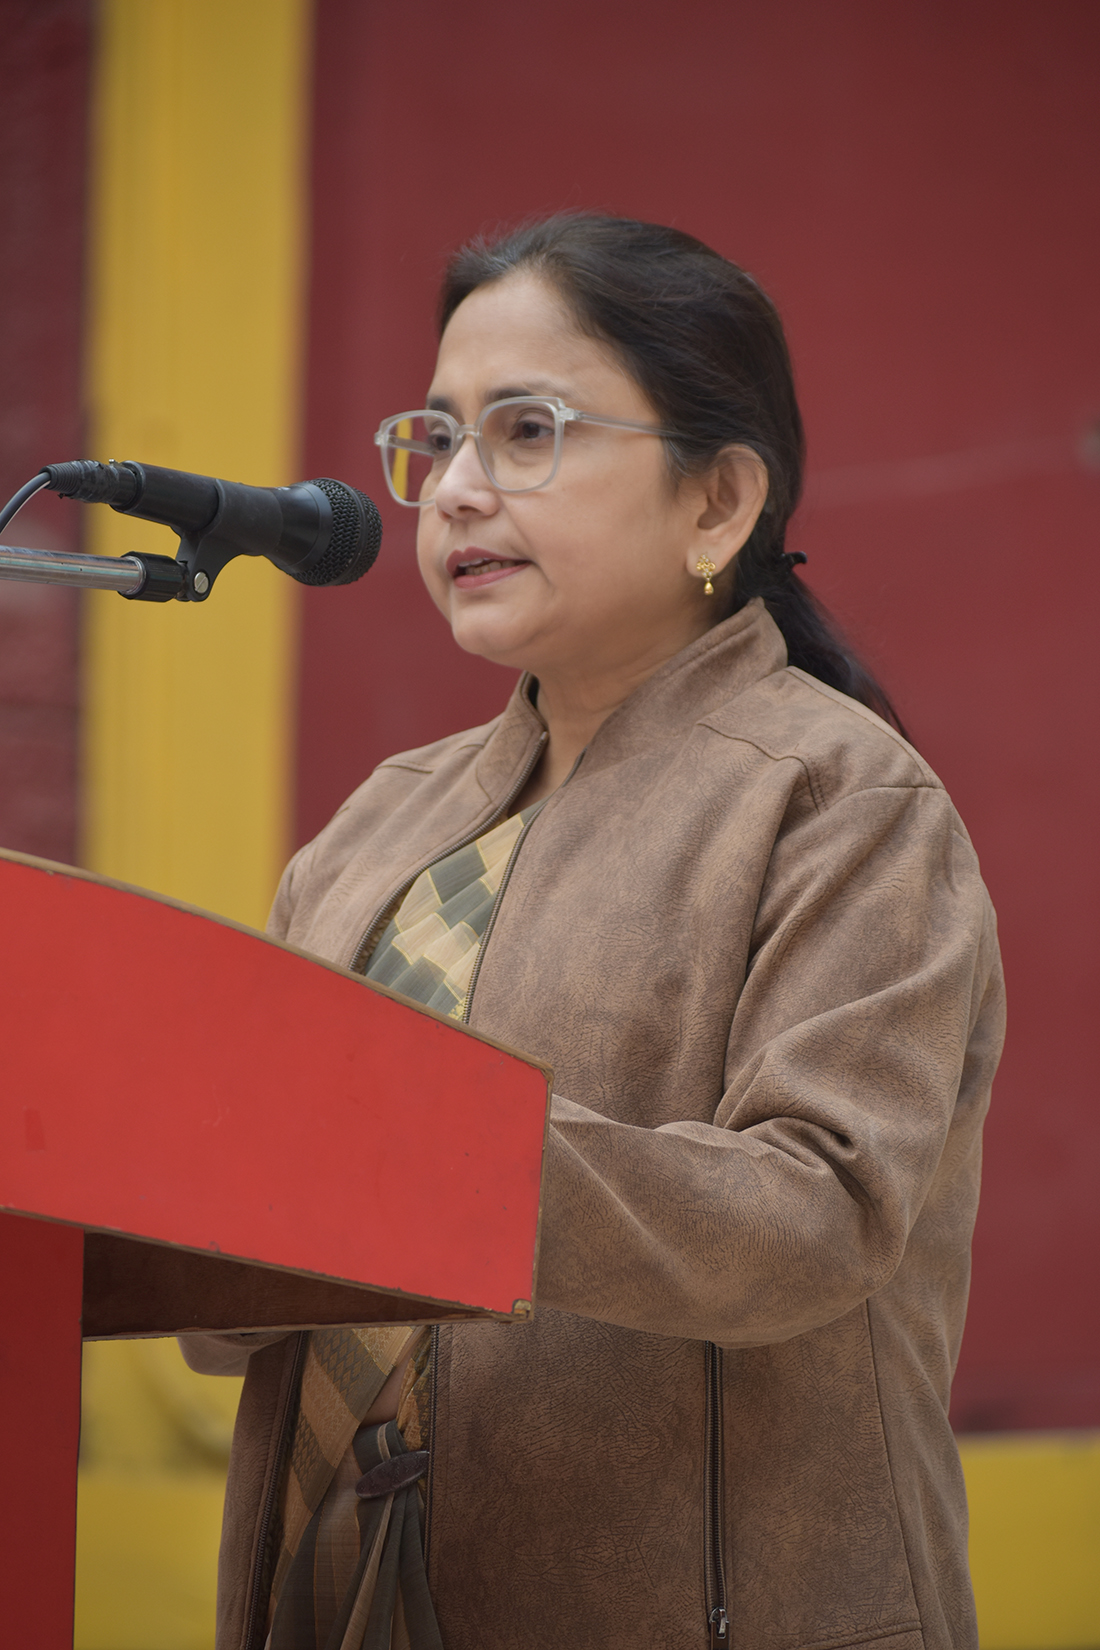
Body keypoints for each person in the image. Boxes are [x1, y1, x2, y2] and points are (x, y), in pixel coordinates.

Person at [182, 214, 1004, 1650]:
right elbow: (224, 1308)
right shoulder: (378, 827)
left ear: (717, 502)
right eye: (441, 438)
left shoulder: (841, 801)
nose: (456, 488)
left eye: (527, 432)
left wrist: (424, 1144)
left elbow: (817, 1217)